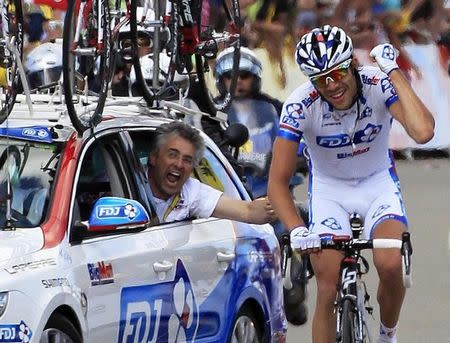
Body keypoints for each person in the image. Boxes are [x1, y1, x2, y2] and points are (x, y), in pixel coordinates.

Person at [267, 25, 434, 343]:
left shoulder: (377, 82)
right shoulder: (301, 104)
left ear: (352, 64)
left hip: (377, 184)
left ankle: (387, 335)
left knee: (389, 262)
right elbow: (277, 182)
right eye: (320, 79)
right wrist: (297, 229)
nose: (331, 85)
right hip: (330, 191)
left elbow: (423, 132)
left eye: (337, 72)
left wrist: (394, 72)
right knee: (327, 286)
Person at [210, 46, 310, 325]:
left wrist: (299, 158)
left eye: (243, 75)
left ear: (255, 77)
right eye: (230, 76)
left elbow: (297, 142)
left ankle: (298, 280)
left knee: (298, 228)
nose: (237, 82)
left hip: (272, 194)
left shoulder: (277, 108)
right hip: (234, 199)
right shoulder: (213, 112)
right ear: (220, 80)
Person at [147, 121, 277, 224]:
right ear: (154, 157)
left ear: (193, 168)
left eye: (187, 160)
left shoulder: (191, 191)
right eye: (172, 155)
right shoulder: (127, 184)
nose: (179, 164)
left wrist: (274, 206)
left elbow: (248, 211)